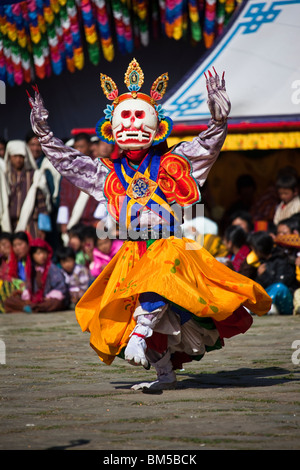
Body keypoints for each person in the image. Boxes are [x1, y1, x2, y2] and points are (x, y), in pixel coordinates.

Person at [28, 59, 271, 392]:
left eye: (139, 117)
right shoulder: (108, 173)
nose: (131, 125)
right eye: (124, 118)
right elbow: (71, 163)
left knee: (155, 286)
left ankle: (141, 337)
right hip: (132, 249)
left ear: (158, 128)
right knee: (124, 313)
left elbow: (208, 146)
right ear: (111, 130)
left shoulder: (175, 162)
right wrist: (43, 134)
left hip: (168, 246)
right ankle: (163, 371)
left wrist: (219, 119)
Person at [0, 140, 51, 238]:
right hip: (10, 224)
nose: (18, 160)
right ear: (10, 157)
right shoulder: (5, 176)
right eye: (15, 156)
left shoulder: (34, 176)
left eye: (21, 157)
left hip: (31, 224)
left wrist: (43, 228)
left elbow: (42, 204)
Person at [4, 238, 69, 313]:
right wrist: (28, 295)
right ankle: (33, 307)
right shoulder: (31, 268)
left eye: (44, 252)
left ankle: (35, 308)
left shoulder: (52, 268)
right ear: (32, 255)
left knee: (55, 303)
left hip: (48, 299)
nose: (42, 256)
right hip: (34, 300)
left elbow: (60, 287)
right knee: (9, 301)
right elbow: (29, 287)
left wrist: (49, 296)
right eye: (38, 253)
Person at [247, 231, 296, 315]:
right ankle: (256, 306)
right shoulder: (260, 262)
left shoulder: (281, 260)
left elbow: (281, 283)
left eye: (253, 249)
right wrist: (260, 276)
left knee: (280, 287)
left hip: (285, 301)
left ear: (259, 249)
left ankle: (258, 306)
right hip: (270, 300)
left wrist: (264, 275)